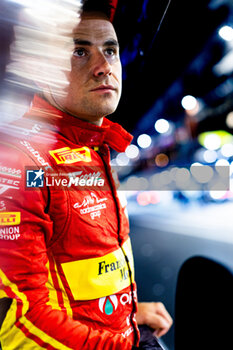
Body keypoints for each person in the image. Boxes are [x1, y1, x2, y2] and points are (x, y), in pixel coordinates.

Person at [0, 0, 172, 349]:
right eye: (79, 51)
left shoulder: (93, 150)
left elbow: (75, 275)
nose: (103, 66)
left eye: (110, 50)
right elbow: (22, 321)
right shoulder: (20, 161)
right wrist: (124, 344)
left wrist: (127, 316)